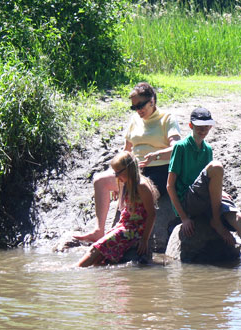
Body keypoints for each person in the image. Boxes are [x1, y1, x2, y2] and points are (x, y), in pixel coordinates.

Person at [74, 82, 181, 243]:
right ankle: (98, 230)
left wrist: (156, 155)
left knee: (130, 186)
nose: (138, 110)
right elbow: (126, 150)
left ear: (152, 100)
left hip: (158, 170)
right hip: (134, 169)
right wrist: (118, 173)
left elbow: (177, 148)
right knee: (100, 181)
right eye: (134, 107)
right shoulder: (134, 120)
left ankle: (125, 234)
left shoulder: (167, 118)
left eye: (140, 105)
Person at [166, 107, 241, 263]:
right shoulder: (180, 147)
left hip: (203, 199)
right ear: (190, 126)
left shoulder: (207, 149)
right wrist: (184, 218)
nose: (202, 130)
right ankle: (216, 221)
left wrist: (219, 191)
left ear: (210, 126)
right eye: (199, 126)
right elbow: (170, 186)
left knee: (239, 218)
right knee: (217, 166)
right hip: (188, 201)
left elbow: (206, 179)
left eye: (206, 126)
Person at [77, 151, 159, 267]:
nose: (116, 176)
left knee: (95, 249)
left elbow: (152, 214)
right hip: (126, 225)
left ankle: (74, 270)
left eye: (118, 173)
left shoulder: (141, 185)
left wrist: (144, 240)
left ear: (128, 169)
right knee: (99, 259)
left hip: (134, 230)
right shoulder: (127, 182)